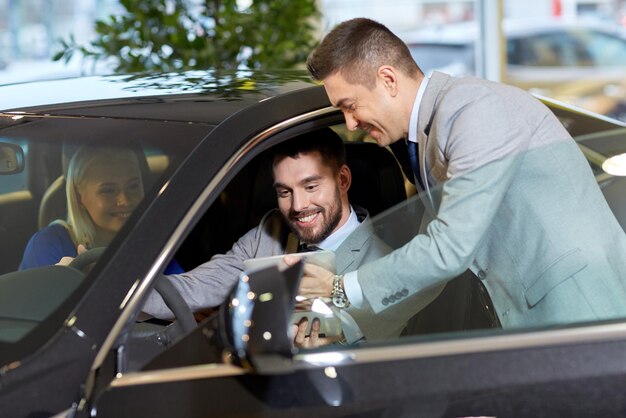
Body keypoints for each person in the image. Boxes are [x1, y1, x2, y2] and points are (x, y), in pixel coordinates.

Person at [297, 17, 626, 329]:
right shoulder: (430, 133)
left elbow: (450, 248)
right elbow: (431, 267)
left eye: (350, 105)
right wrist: (348, 330)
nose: (350, 123)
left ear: (388, 79)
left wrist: (340, 287)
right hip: (539, 321)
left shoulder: (470, 110)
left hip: (580, 310)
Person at [142, 128, 438, 344]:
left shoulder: (387, 267)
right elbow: (196, 287)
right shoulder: (271, 232)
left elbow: (353, 352)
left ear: (343, 180)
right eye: (285, 191)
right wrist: (116, 298)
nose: (297, 207)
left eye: (311, 187)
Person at [20, 145, 183, 274]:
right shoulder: (49, 244)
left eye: (133, 186)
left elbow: (179, 294)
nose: (124, 200)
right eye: (108, 191)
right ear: (79, 198)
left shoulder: (150, 239)